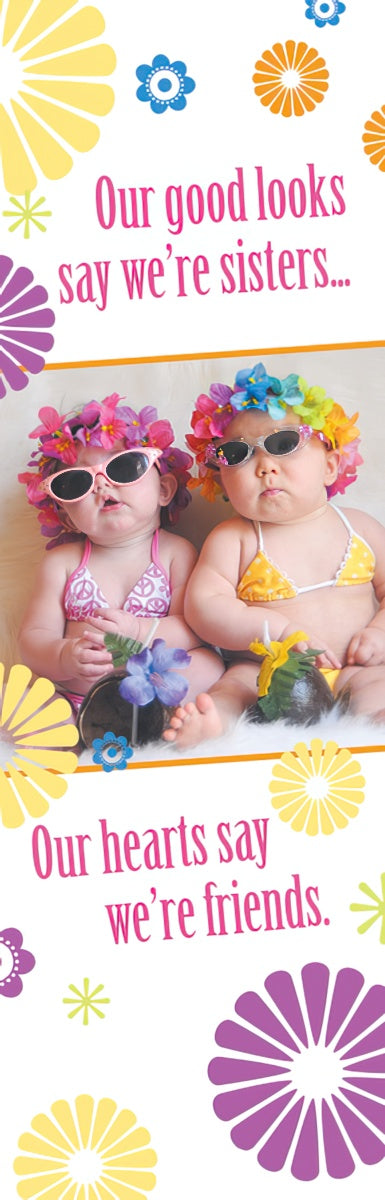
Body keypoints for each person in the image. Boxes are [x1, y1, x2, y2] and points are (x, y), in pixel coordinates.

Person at [164, 361, 385, 747]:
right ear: (221, 481)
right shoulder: (234, 538)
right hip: (266, 673)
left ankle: (373, 725)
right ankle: (213, 723)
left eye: (284, 444)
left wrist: (379, 633)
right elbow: (204, 607)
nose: (265, 466)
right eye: (238, 453)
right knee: (235, 687)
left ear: (330, 465)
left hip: (355, 664)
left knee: (377, 687)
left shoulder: (359, 527)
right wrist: (275, 631)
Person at [18, 393, 223, 711]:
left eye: (124, 468)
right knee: (17, 692)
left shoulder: (176, 553)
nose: (101, 485)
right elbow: (34, 638)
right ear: (65, 517)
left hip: (153, 689)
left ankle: (151, 716)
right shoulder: (62, 563)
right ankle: (73, 724)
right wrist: (64, 657)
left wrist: (139, 632)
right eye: (76, 482)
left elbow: (195, 628)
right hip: (77, 698)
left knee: (209, 665)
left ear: (164, 490)